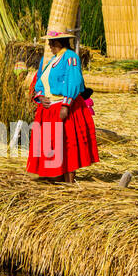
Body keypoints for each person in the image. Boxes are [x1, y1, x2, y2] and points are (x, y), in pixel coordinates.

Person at [26, 27, 98, 183]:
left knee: (66, 143)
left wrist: (66, 105)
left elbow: (74, 80)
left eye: (51, 43)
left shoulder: (70, 57)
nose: (50, 46)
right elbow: (40, 82)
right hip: (48, 108)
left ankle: (69, 179)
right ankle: (54, 176)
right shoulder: (53, 60)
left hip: (62, 107)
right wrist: (40, 97)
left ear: (58, 42)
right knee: (52, 144)